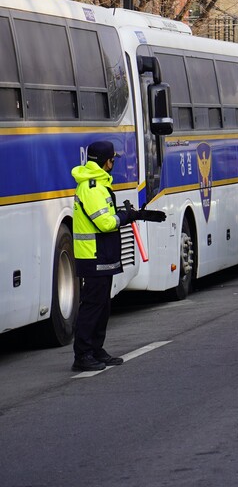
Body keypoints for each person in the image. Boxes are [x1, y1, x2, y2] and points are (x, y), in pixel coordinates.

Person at [71, 141, 165, 372]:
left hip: (104, 254)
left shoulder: (101, 186)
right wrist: (125, 216)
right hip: (93, 255)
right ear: (105, 161)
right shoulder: (91, 188)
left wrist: (129, 214)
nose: (113, 163)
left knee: (103, 305)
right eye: (112, 160)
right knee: (92, 305)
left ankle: (96, 349)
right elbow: (104, 223)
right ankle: (82, 355)